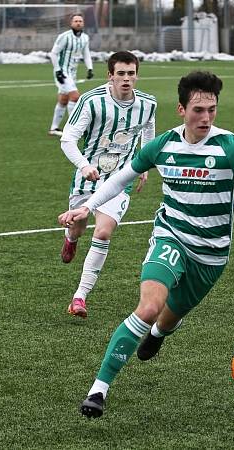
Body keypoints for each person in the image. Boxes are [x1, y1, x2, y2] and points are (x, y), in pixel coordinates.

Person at [58, 72, 234, 418]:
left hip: (210, 256)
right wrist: (87, 206)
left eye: (211, 109)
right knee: (148, 307)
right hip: (170, 237)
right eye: (198, 109)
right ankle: (98, 390)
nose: (206, 117)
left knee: (164, 320)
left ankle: (160, 333)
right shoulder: (163, 145)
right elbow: (120, 179)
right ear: (181, 110)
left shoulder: (232, 148)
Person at [60, 51, 156, 319]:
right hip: (87, 178)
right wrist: (84, 166)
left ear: (137, 75)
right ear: (110, 76)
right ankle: (70, 239)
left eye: (131, 73)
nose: (126, 79)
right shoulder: (92, 101)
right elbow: (67, 139)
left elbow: (148, 132)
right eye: (121, 74)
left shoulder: (148, 104)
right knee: (78, 227)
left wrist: (143, 165)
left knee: (102, 233)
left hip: (119, 181)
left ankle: (79, 297)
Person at [48, 12, 94, 137]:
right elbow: (53, 53)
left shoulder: (85, 38)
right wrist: (57, 70)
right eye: (76, 21)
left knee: (63, 100)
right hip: (62, 72)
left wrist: (90, 68)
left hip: (72, 73)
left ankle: (53, 128)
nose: (78, 23)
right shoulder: (64, 37)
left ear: (83, 23)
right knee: (75, 97)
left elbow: (86, 53)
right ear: (71, 23)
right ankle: (73, 129)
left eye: (80, 21)